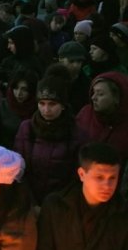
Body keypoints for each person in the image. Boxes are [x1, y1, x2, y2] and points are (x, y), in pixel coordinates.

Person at [34, 142, 128, 250]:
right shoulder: (55, 206)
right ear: (82, 174)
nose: (107, 186)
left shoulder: (123, 215)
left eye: (112, 178)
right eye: (99, 177)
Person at [14, 76, 87, 204]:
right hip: (28, 202)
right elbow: (18, 169)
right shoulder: (27, 129)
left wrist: (57, 204)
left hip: (61, 204)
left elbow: (76, 177)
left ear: (63, 105)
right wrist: (29, 202)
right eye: (42, 103)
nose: (46, 110)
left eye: (52, 104)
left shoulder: (76, 134)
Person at [76, 72, 128, 159]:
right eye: (93, 92)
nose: (93, 97)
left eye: (100, 94)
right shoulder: (85, 113)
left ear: (117, 98)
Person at [0, 69, 38, 148]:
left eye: (24, 89)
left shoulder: (38, 108)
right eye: (16, 88)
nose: (19, 93)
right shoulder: (3, 106)